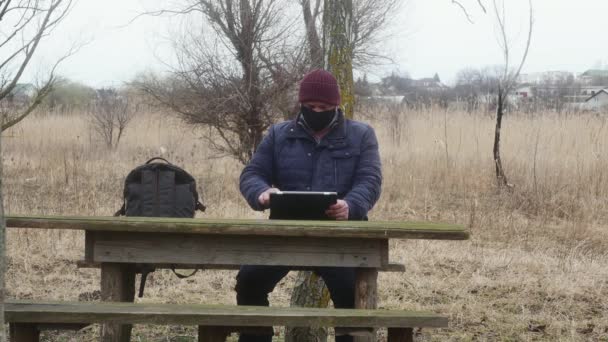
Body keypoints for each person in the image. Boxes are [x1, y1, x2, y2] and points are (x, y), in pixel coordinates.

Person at [237, 69, 382, 342]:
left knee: (352, 295)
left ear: (336, 105)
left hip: (340, 238)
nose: (317, 111)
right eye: (311, 106)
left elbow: (370, 181)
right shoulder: (279, 134)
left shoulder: (361, 135)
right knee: (249, 281)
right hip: (285, 234)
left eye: (325, 107)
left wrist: (350, 206)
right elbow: (251, 174)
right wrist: (262, 193)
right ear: (301, 104)